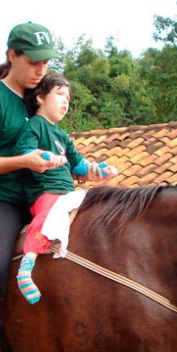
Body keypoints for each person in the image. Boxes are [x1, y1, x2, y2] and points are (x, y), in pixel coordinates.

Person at [0, 22, 106, 352]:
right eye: (33, 61)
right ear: (12, 56)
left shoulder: (37, 100)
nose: (40, 69)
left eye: (46, 63)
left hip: (41, 198)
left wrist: (80, 170)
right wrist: (23, 161)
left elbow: (56, 153)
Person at [13, 72, 117, 304]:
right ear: (40, 97)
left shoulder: (62, 135)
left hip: (68, 192)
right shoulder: (33, 127)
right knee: (50, 213)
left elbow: (79, 164)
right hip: (45, 191)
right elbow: (25, 153)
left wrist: (99, 169)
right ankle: (26, 267)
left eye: (68, 98)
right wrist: (45, 157)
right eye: (59, 94)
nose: (65, 101)